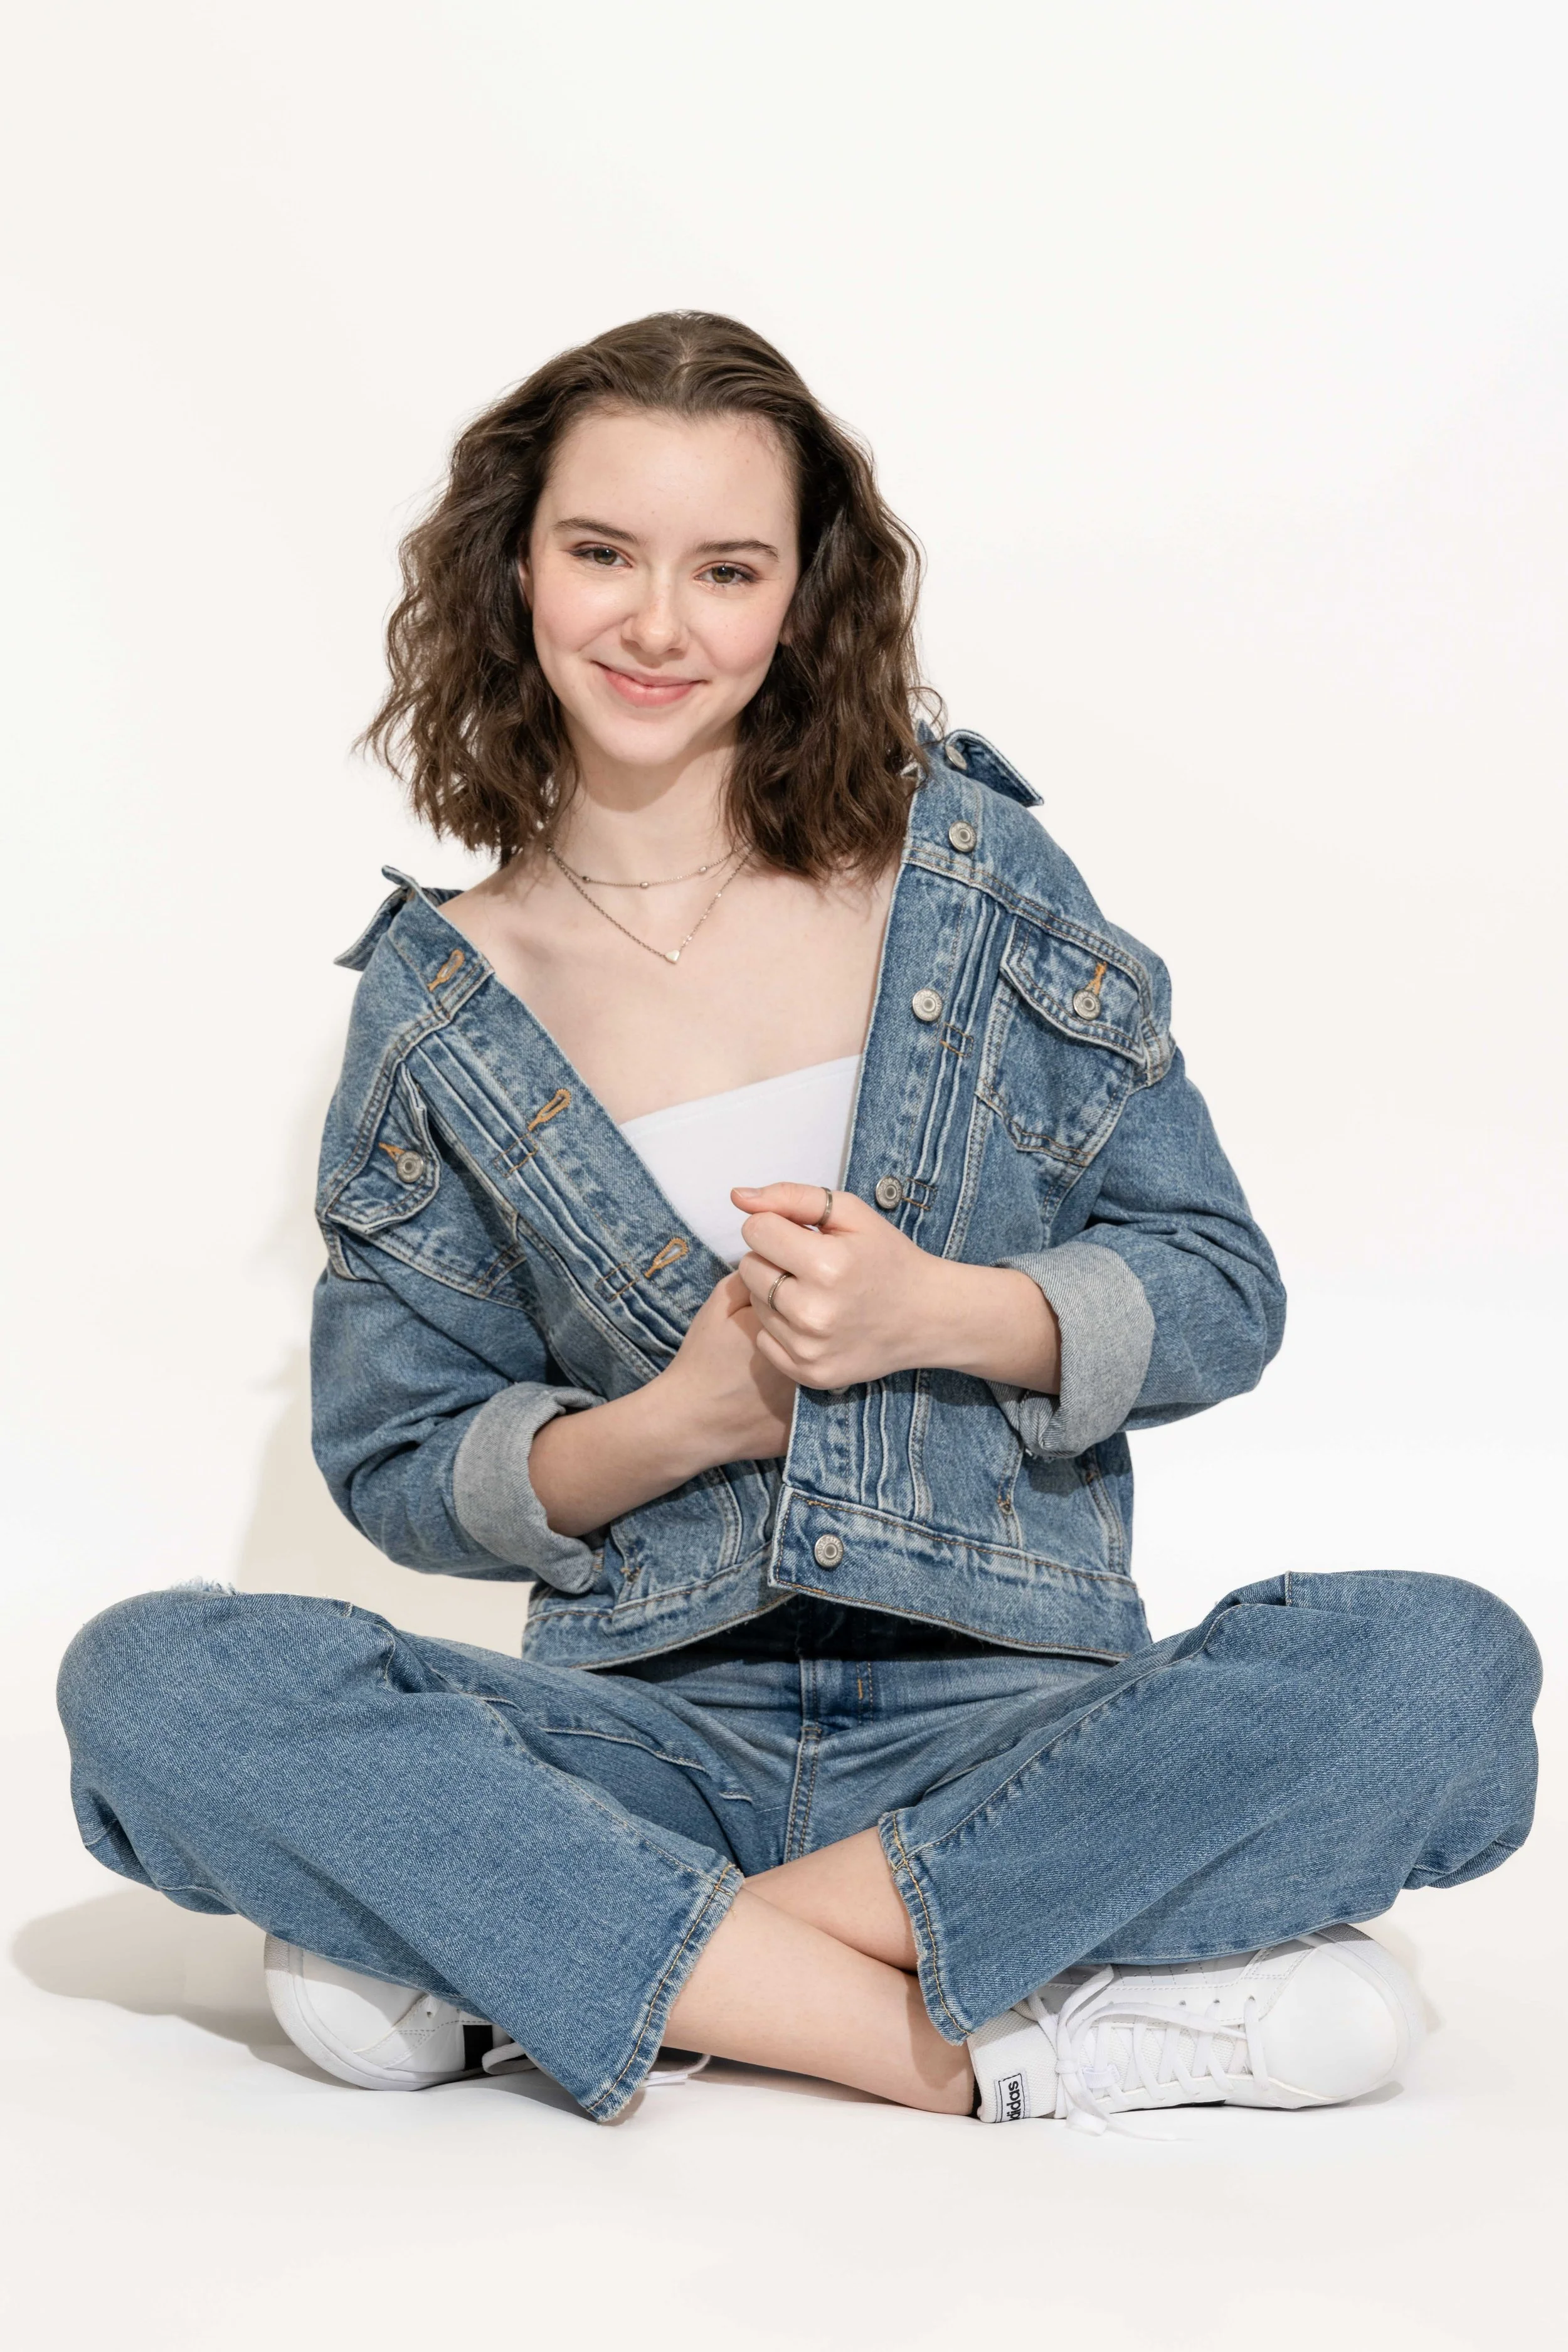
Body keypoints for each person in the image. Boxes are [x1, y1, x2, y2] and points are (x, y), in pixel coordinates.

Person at [58, 312, 1540, 2131]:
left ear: (800, 595)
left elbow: (1219, 1289)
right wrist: (680, 1421)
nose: (656, 624)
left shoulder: (974, 880)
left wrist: (941, 1313)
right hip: (636, 1734)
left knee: (1438, 1664)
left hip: (1017, 1728)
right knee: (160, 1680)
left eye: (726, 568)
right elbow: (399, 1463)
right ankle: (983, 2043)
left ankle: (565, 1955)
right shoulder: (442, 1005)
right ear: (515, 567)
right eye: (601, 551)